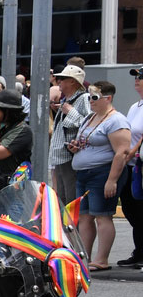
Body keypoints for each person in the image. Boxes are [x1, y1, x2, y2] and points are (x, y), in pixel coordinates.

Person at [70, 81, 133, 272]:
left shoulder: (116, 120)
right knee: (84, 216)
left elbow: (122, 151)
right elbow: (88, 141)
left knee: (102, 216)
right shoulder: (90, 117)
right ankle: (85, 256)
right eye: (89, 97)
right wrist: (75, 147)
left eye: (95, 97)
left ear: (108, 98)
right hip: (84, 173)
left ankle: (102, 259)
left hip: (102, 172)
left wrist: (112, 179)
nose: (91, 101)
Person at [49, 65, 92, 205]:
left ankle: (74, 227)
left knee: (71, 199)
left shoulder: (84, 98)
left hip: (71, 157)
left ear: (73, 81)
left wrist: (71, 111)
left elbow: (91, 124)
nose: (58, 81)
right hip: (61, 157)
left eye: (62, 78)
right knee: (63, 199)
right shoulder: (66, 100)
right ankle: (68, 227)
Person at [118, 67, 143, 267]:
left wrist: (133, 151)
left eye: (141, 77)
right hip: (131, 165)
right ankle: (140, 250)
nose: (137, 80)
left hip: (138, 162)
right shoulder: (135, 106)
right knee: (130, 207)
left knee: (140, 208)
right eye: (136, 76)